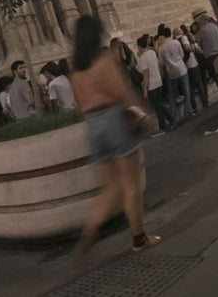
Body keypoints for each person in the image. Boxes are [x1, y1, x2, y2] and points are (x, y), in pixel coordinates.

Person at [69, 15, 159, 256]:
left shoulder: (75, 71)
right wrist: (143, 114)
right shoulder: (104, 60)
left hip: (93, 126)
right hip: (113, 120)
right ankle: (140, 238)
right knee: (131, 185)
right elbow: (123, 93)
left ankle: (90, 228)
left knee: (109, 187)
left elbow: (78, 105)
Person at [135, 35, 171, 132]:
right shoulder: (152, 52)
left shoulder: (142, 59)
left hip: (151, 85)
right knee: (161, 103)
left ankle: (163, 125)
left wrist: (145, 90)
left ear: (139, 46)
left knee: (157, 106)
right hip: (158, 81)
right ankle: (171, 119)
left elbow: (145, 75)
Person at [157, 27, 191, 122]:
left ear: (163, 36)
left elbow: (161, 63)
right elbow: (182, 55)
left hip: (171, 72)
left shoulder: (161, 48)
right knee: (186, 91)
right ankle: (187, 112)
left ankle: (175, 115)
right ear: (170, 33)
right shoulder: (176, 43)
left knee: (172, 95)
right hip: (181, 68)